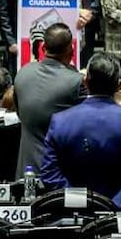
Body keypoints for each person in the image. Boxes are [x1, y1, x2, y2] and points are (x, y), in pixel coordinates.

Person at [41, 51, 121, 208]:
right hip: (120, 216)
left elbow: (49, 173)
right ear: (119, 85)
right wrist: (114, 205)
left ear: (85, 81)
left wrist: (78, 202)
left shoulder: (60, 121)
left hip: (74, 215)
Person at [13, 22, 83, 177]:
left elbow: (20, 115)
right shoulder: (77, 82)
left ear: (43, 47)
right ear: (71, 50)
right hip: (63, 178)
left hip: (26, 175)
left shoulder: (22, 74)